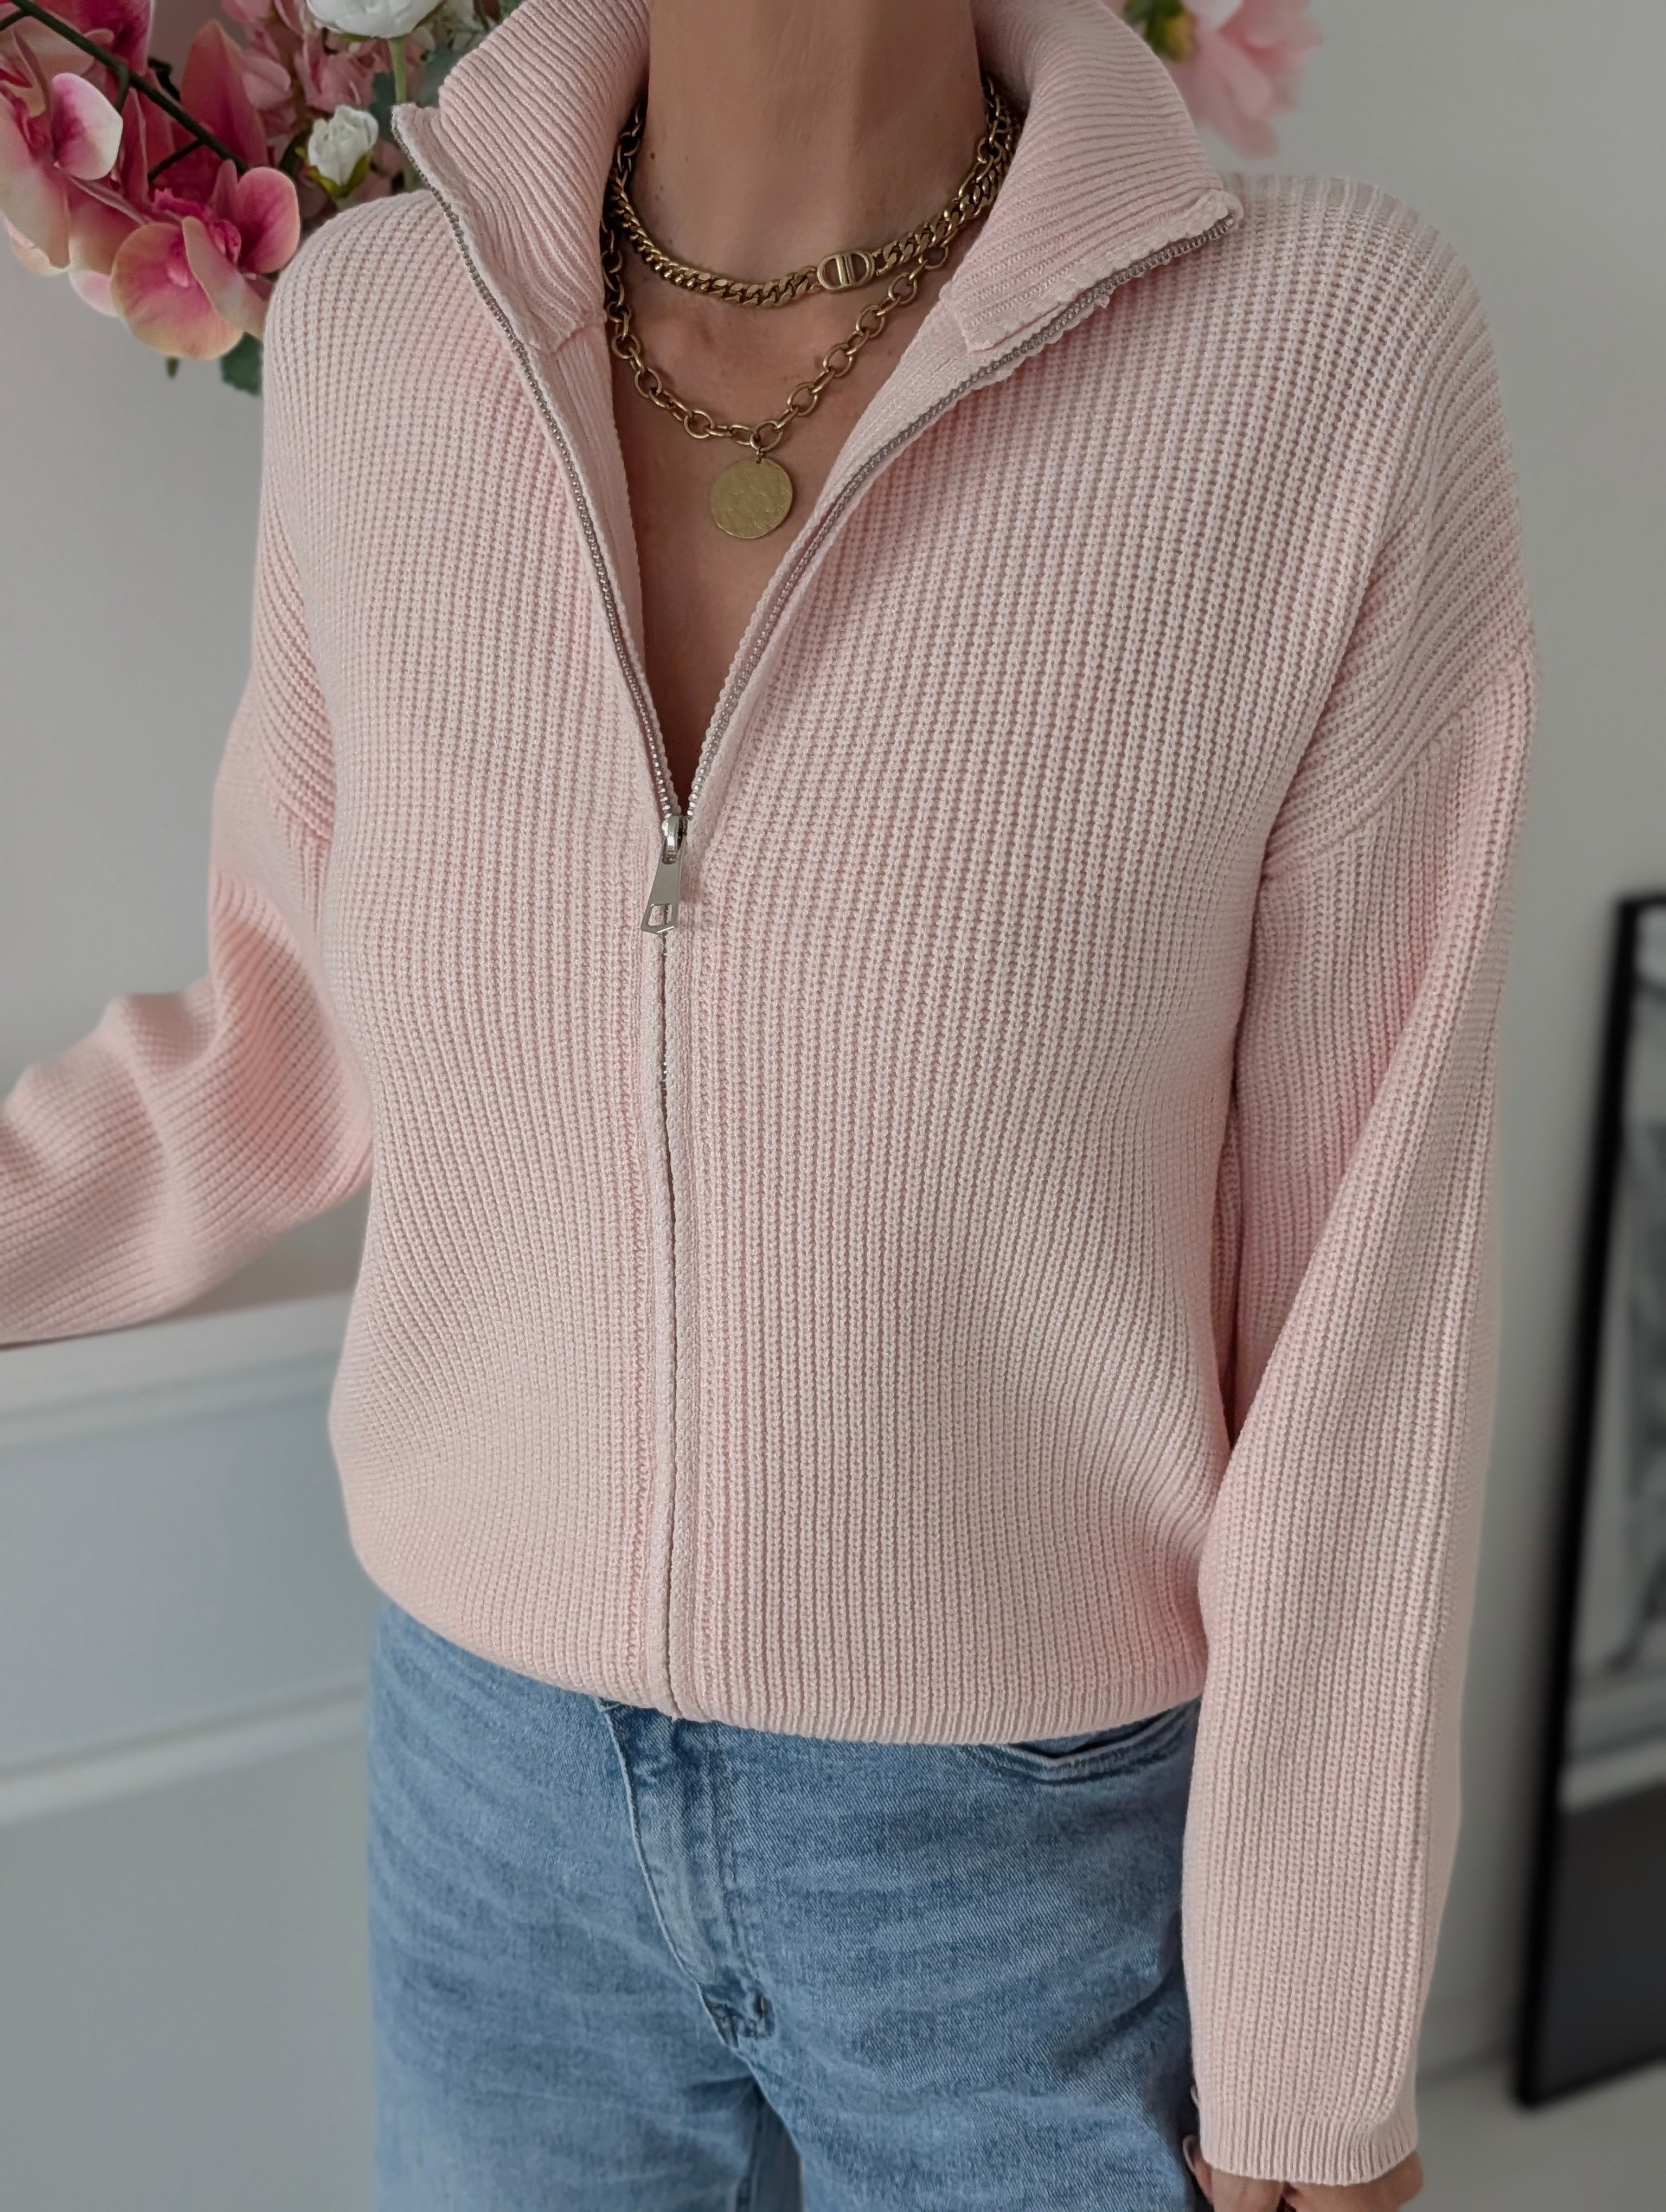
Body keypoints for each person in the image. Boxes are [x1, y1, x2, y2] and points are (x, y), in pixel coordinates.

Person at [0, 0, 1537, 2204]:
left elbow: (1367, 1277)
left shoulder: (1322, 356)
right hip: (490, 1802)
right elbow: (288, 1031)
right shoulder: (377, 331)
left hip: (1019, 1866)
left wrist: (1316, 2021)